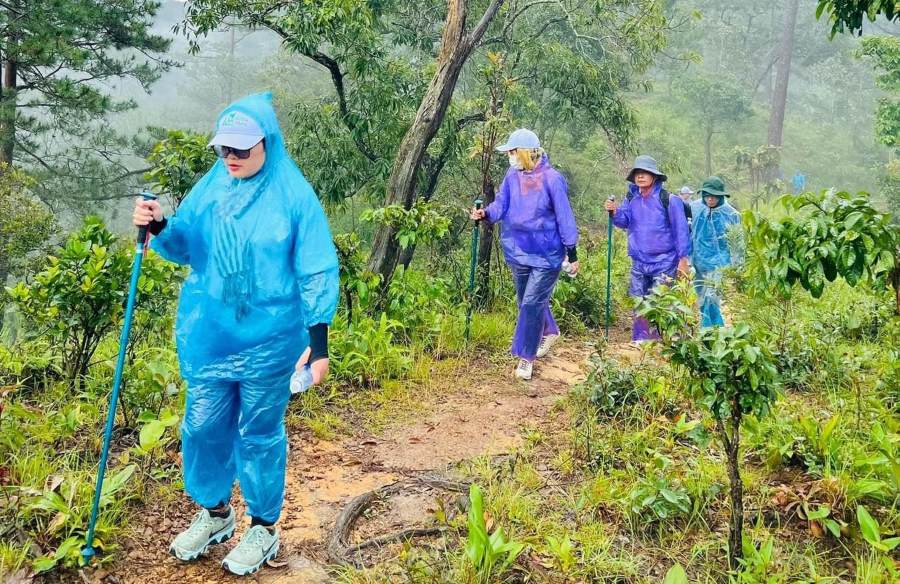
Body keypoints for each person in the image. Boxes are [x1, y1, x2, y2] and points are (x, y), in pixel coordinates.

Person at [132, 92, 339, 576]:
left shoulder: (293, 195)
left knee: (259, 434)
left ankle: (263, 527)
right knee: (202, 427)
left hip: (271, 342)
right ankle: (216, 513)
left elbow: (316, 269)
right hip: (212, 335)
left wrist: (319, 343)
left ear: (267, 144)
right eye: (225, 149)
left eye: (242, 150)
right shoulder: (212, 187)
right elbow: (187, 244)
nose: (231, 158)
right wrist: (160, 225)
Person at [471, 129, 578, 380]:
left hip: (547, 254)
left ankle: (526, 358)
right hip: (518, 250)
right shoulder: (512, 176)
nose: (509, 156)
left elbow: (564, 216)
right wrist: (485, 213)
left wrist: (571, 252)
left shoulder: (552, 179)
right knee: (526, 301)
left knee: (531, 303)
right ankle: (549, 329)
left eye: (511, 151)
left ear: (525, 152)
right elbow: (501, 204)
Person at [604, 155, 691, 342]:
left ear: (654, 176)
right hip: (639, 260)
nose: (640, 176)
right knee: (638, 300)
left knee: (660, 301)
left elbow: (681, 230)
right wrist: (614, 212)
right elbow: (624, 222)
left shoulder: (669, 199)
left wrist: (683, 260)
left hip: (665, 260)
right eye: (637, 173)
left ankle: (666, 339)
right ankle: (642, 340)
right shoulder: (631, 197)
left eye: (645, 173)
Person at [690, 176, 741, 328]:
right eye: (707, 195)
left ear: (721, 195)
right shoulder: (695, 208)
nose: (710, 199)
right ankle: (714, 329)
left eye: (714, 196)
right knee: (701, 297)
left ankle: (709, 330)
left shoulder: (731, 214)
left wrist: (737, 265)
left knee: (711, 296)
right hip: (698, 261)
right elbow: (687, 233)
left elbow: (738, 242)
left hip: (720, 263)